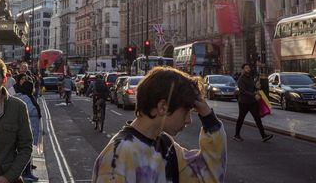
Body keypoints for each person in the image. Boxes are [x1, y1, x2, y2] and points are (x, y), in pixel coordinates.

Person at [92, 66, 227, 182]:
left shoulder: (166, 145)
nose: (188, 120)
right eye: (186, 111)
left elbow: (205, 176)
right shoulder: (117, 157)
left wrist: (209, 118)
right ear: (163, 107)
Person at [234, 63, 273, 142]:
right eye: (246, 68)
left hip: (252, 102)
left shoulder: (250, 78)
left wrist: (256, 87)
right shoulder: (241, 79)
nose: (248, 69)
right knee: (241, 119)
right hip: (244, 102)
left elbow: (252, 88)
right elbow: (243, 91)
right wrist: (254, 95)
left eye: (248, 67)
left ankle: (263, 135)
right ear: (243, 70)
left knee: (257, 119)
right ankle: (236, 135)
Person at [13, 74, 41, 182]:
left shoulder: (25, 97)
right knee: (26, 150)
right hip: (28, 127)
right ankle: (27, 173)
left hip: (31, 126)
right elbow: (30, 111)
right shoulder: (25, 98)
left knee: (27, 150)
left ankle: (27, 172)